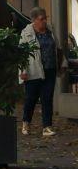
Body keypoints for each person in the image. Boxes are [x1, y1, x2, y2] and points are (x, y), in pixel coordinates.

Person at [20, 7, 63, 138]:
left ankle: (47, 127)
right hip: (34, 71)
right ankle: (26, 123)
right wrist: (22, 71)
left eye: (45, 18)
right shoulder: (26, 33)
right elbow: (21, 54)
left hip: (50, 69)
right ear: (34, 20)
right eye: (41, 19)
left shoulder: (50, 30)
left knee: (47, 98)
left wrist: (62, 64)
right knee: (31, 99)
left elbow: (58, 48)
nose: (44, 21)